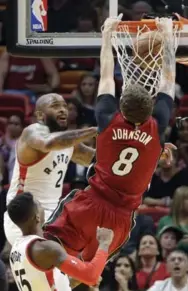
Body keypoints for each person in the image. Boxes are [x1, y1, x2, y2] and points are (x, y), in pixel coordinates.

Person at [44, 16, 176, 262]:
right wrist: (169, 35)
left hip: (91, 202)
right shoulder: (158, 126)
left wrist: (108, 35)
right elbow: (167, 81)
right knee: (88, 273)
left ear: (121, 109)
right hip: (122, 217)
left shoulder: (107, 118)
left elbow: (106, 76)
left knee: (50, 253)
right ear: (151, 110)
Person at [4, 93, 97, 247]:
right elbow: (48, 143)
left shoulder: (68, 142)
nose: (62, 110)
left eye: (64, 107)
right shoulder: (32, 132)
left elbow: (95, 160)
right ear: (40, 115)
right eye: (55, 106)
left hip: (53, 216)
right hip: (24, 216)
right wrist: (94, 130)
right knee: (48, 261)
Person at [8, 192, 114, 291]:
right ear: (37, 216)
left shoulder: (16, 249)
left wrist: (77, 279)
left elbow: (48, 285)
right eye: (39, 205)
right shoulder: (47, 248)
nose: (42, 208)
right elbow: (91, 276)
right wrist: (104, 243)